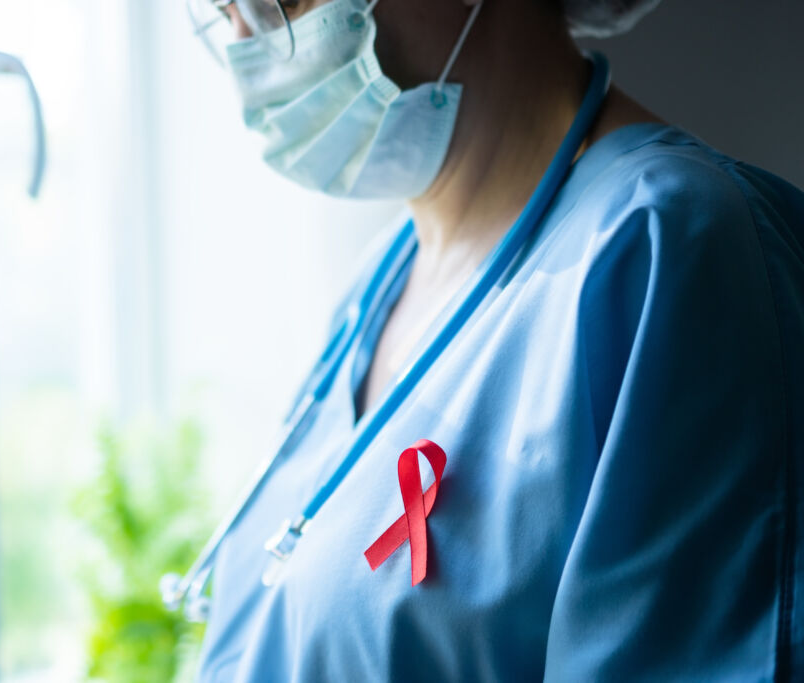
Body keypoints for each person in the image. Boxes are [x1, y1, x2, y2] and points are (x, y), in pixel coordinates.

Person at [179, 0, 804, 679]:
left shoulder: (671, 244)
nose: (244, 39)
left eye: (276, 3)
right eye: (225, 8)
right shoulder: (382, 279)